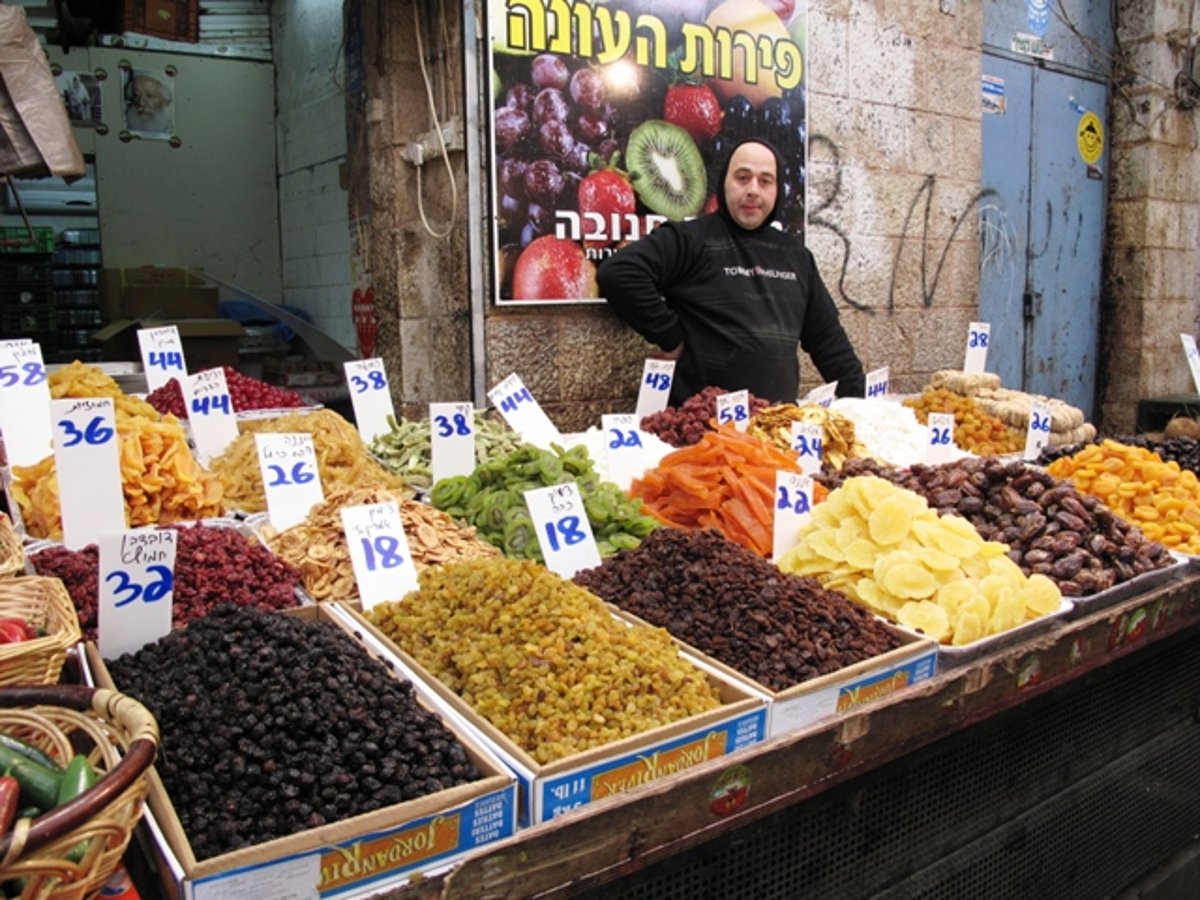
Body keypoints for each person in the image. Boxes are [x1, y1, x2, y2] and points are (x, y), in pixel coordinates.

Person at [596, 137, 865, 406]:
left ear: (777, 190)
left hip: (774, 428)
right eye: (743, 177)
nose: (753, 190)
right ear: (724, 182)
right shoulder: (691, 238)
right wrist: (671, 336)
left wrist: (864, 405)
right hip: (703, 430)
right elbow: (618, 273)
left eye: (765, 181)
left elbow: (828, 340)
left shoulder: (796, 256)